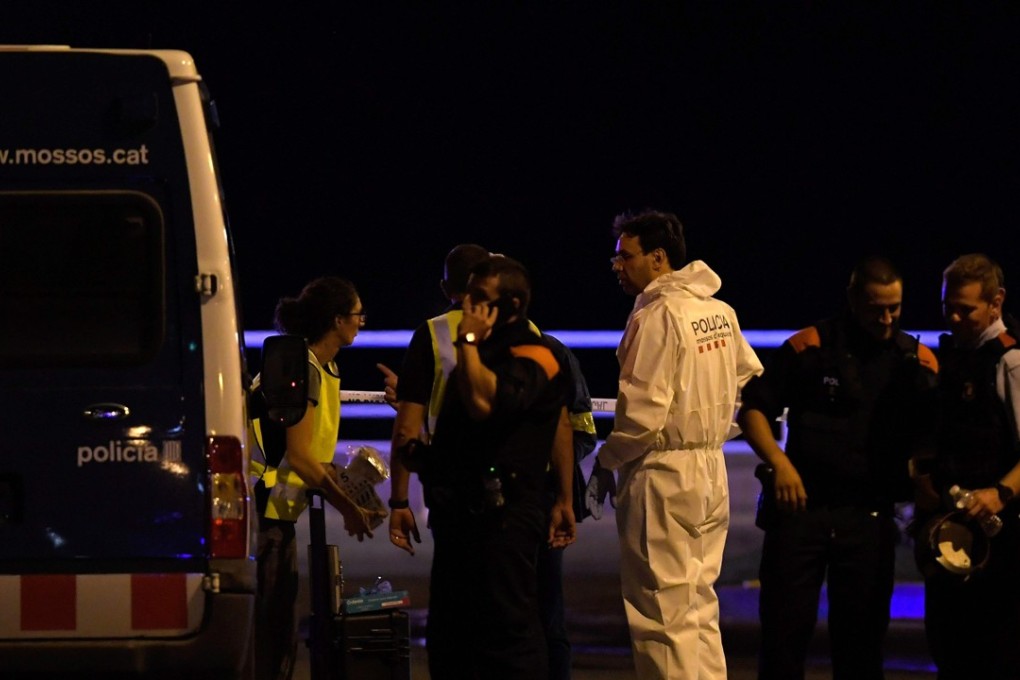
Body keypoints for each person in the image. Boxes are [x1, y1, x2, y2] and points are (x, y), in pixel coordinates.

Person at [382, 244, 596, 679]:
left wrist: (564, 498)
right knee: (452, 635)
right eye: (467, 295)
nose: (468, 305)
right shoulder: (490, 347)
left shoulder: (535, 353)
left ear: (512, 305)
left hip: (509, 516)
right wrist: (404, 488)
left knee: (512, 633)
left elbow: (493, 406)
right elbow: (418, 430)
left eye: (479, 297)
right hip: (455, 508)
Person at [737, 256, 938, 680]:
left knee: (862, 648)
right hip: (799, 513)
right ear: (852, 299)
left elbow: (933, 439)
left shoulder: (916, 361)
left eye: (895, 308)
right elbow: (753, 410)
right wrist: (780, 463)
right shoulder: (809, 347)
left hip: (868, 519)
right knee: (783, 641)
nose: (886, 318)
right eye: (875, 307)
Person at [586, 209, 764, 680]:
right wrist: (713, 428)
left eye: (626, 256)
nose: (617, 265)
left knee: (662, 615)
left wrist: (605, 462)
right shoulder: (719, 311)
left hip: (662, 474)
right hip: (710, 471)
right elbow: (751, 381)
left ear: (658, 258)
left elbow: (642, 418)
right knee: (700, 608)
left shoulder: (659, 314)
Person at [248, 276, 386, 680]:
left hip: (278, 511)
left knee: (278, 620)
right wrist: (348, 507)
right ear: (338, 320)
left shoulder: (321, 367)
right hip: (263, 511)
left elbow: (310, 454)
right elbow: (299, 458)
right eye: (358, 315)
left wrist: (346, 479)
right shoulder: (301, 368)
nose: (362, 322)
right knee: (271, 626)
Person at [915, 253, 1020, 679]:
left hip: (1003, 537)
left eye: (966, 309)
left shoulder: (1010, 361)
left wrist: (1001, 493)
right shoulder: (949, 359)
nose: (954, 317)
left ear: (996, 303)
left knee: (997, 652)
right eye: (948, 308)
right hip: (950, 530)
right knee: (948, 646)